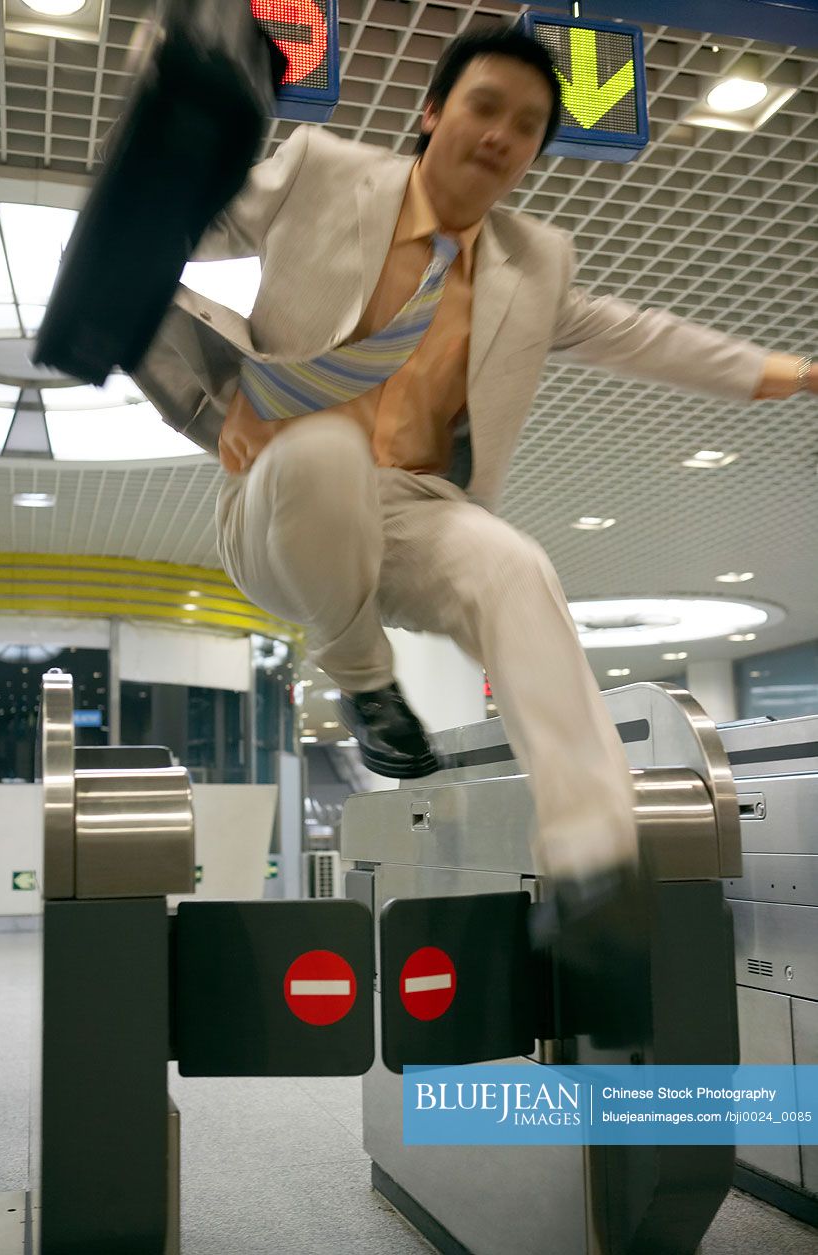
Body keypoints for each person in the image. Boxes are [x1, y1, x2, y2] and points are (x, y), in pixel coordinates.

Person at [135, 25, 815, 937]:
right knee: (327, 452)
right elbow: (157, 226)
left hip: (418, 511)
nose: (501, 134)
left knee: (513, 566)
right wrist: (218, 410)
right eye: (484, 107)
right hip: (279, 493)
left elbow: (639, 332)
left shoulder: (536, 263)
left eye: (527, 125)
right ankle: (364, 681)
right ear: (432, 112)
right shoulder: (321, 171)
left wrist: (791, 373)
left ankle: (597, 868)